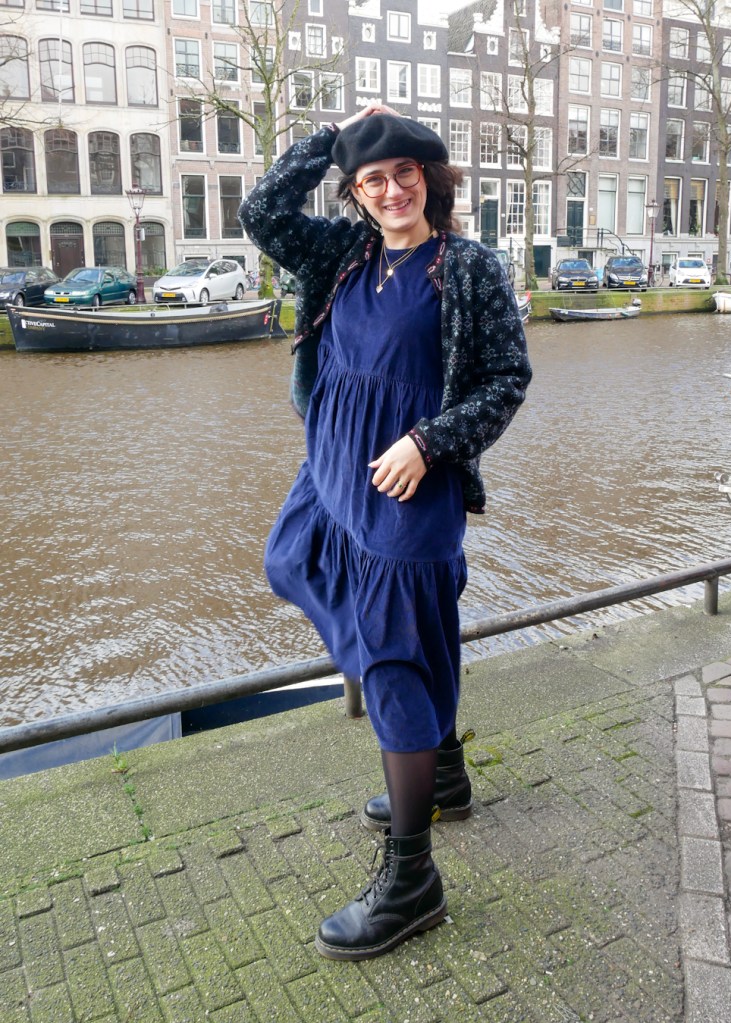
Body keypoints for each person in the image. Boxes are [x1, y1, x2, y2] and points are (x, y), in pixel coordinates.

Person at [238, 104, 531, 961]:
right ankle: (436, 759)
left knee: (398, 658)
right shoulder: (342, 253)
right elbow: (262, 212)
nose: (391, 189)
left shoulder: (467, 267)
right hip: (328, 469)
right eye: (372, 179)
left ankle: (412, 878)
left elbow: (508, 378)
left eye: (405, 173)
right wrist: (333, 139)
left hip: (406, 483)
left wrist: (429, 442)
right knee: (290, 562)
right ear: (357, 193)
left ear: (430, 181)